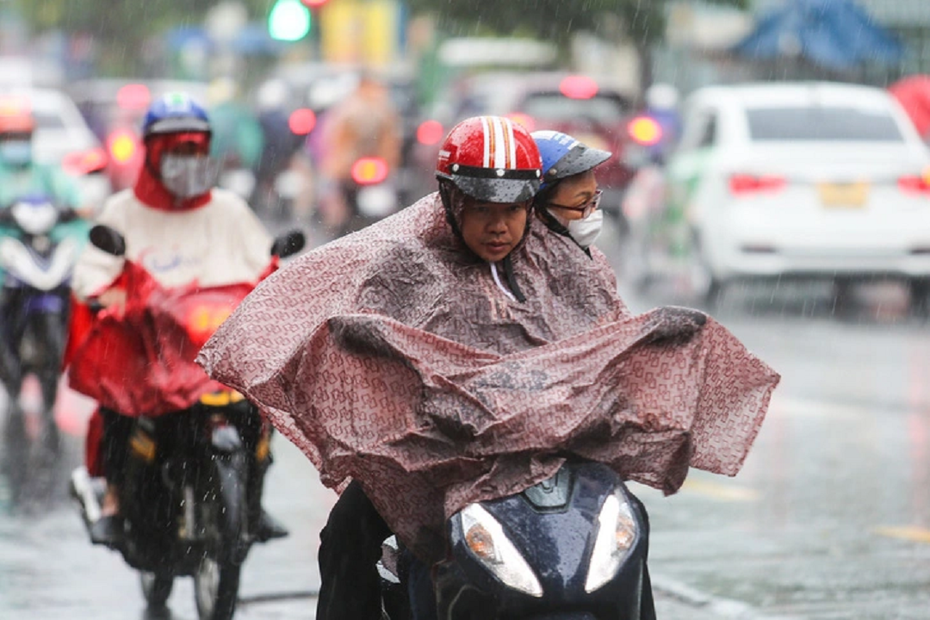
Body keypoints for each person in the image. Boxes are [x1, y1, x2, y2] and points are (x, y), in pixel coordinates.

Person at [70, 92, 287, 545]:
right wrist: (108, 297)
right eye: (173, 149)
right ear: (151, 152)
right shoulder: (123, 212)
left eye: (193, 148)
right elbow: (92, 274)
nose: (184, 160)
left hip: (216, 353)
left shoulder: (228, 210)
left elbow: (262, 265)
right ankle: (114, 497)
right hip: (151, 354)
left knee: (258, 412)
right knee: (118, 406)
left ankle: (253, 498)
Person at [0, 105, 87, 443]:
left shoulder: (47, 172)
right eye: (11, 137)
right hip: (8, 257)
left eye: (22, 137)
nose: (17, 143)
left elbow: (75, 197)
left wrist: (76, 206)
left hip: (42, 250)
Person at [316, 71, 402, 233]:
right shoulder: (383, 107)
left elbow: (333, 140)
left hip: (351, 168)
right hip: (366, 168)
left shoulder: (347, 108)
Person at [531, 129, 612, 254]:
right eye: (582, 203)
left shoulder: (584, 259)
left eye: (594, 199)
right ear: (538, 210)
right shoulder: (527, 268)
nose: (592, 213)